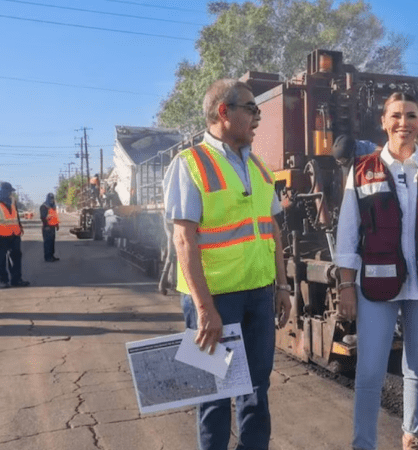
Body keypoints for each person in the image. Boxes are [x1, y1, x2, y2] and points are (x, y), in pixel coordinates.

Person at [163, 78, 291, 450]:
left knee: (256, 389)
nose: (257, 118)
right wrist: (205, 309)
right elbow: (184, 239)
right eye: (251, 109)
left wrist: (281, 286)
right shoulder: (189, 164)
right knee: (213, 395)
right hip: (214, 300)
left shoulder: (261, 168)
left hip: (258, 295)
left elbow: (272, 230)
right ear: (224, 112)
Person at [335, 92, 418, 450]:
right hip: (376, 285)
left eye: (411, 115)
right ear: (383, 121)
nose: (403, 123)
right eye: (396, 116)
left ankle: (412, 435)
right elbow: (348, 230)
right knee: (370, 372)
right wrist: (346, 284)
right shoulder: (362, 171)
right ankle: (364, 443)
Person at [0, 182, 30, 288]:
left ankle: (16, 280)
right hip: (1, 235)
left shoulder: (12, 201)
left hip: (15, 234)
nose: (10, 193)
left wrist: (20, 226)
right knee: (1, 259)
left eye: (11, 191)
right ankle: (2, 281)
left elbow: (15, 215)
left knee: (16, 257)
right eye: (8, 191)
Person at [40, 193, 60, 262]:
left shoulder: (53, 206)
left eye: (52, 198)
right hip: (47, 228)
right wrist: (46, 226)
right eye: (50, 198)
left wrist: (57, 225)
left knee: (52, 242)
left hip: (52, 227)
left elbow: (54, 216)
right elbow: (43, 217)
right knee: (47, 243)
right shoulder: (44, 206)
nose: (52, 200)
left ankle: (52, 256)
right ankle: (47, 257)